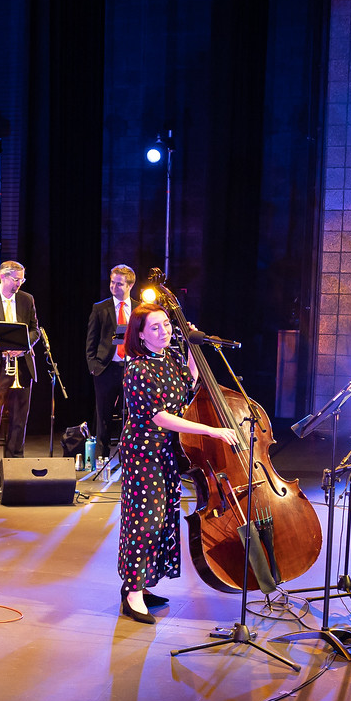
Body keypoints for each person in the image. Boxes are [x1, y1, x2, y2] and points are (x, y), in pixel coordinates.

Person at [115, 308, 242, 623]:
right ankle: (131, 594)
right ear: (140, 334)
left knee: (161, 520)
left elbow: (190, 381)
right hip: (143, 453)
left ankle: (141, 588)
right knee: (143, 521)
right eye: (155, 327)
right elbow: (159, 416)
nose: (164, 331)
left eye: (167, 325)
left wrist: (193, 347)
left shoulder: (170, 360)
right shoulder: (137, 369)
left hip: (168, 451)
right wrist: (211, 431)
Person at [0, 260, 46, 467]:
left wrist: (22, 347)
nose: (19, 284)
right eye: (16, 279)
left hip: (21, 366)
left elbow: (35, 330)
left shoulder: (26, 299)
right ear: (3, 277)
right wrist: (4, 347)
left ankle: (14, 465)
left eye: (22, 279)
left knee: (19, 419)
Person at [85, 265, 136, 461]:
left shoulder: (139, 308)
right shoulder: (100, 308)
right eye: (112, 282)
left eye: (119, 284)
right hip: (106, 368)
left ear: (130, 285)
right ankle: (101, 457)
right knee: (103, 414)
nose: (114, 286)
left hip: (131, 369)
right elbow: (91, 339)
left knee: (130, 414)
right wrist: (93, 366)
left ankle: (128, 457)